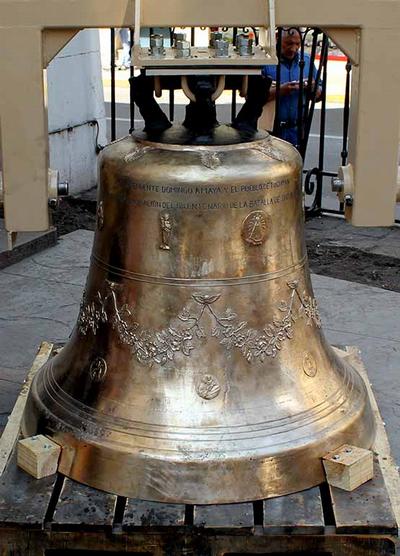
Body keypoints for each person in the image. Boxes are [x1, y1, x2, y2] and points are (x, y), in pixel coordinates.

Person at [262, 28, 321, 147]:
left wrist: (313, 89)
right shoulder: (265, 62)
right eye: (288, 43)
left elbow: (319, 93)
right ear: (277, 38)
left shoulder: (307, 61)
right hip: (270, 131)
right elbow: (253, 98)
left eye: (298, 44)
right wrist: (282, 90)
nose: (293, 48)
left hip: (297, 131)